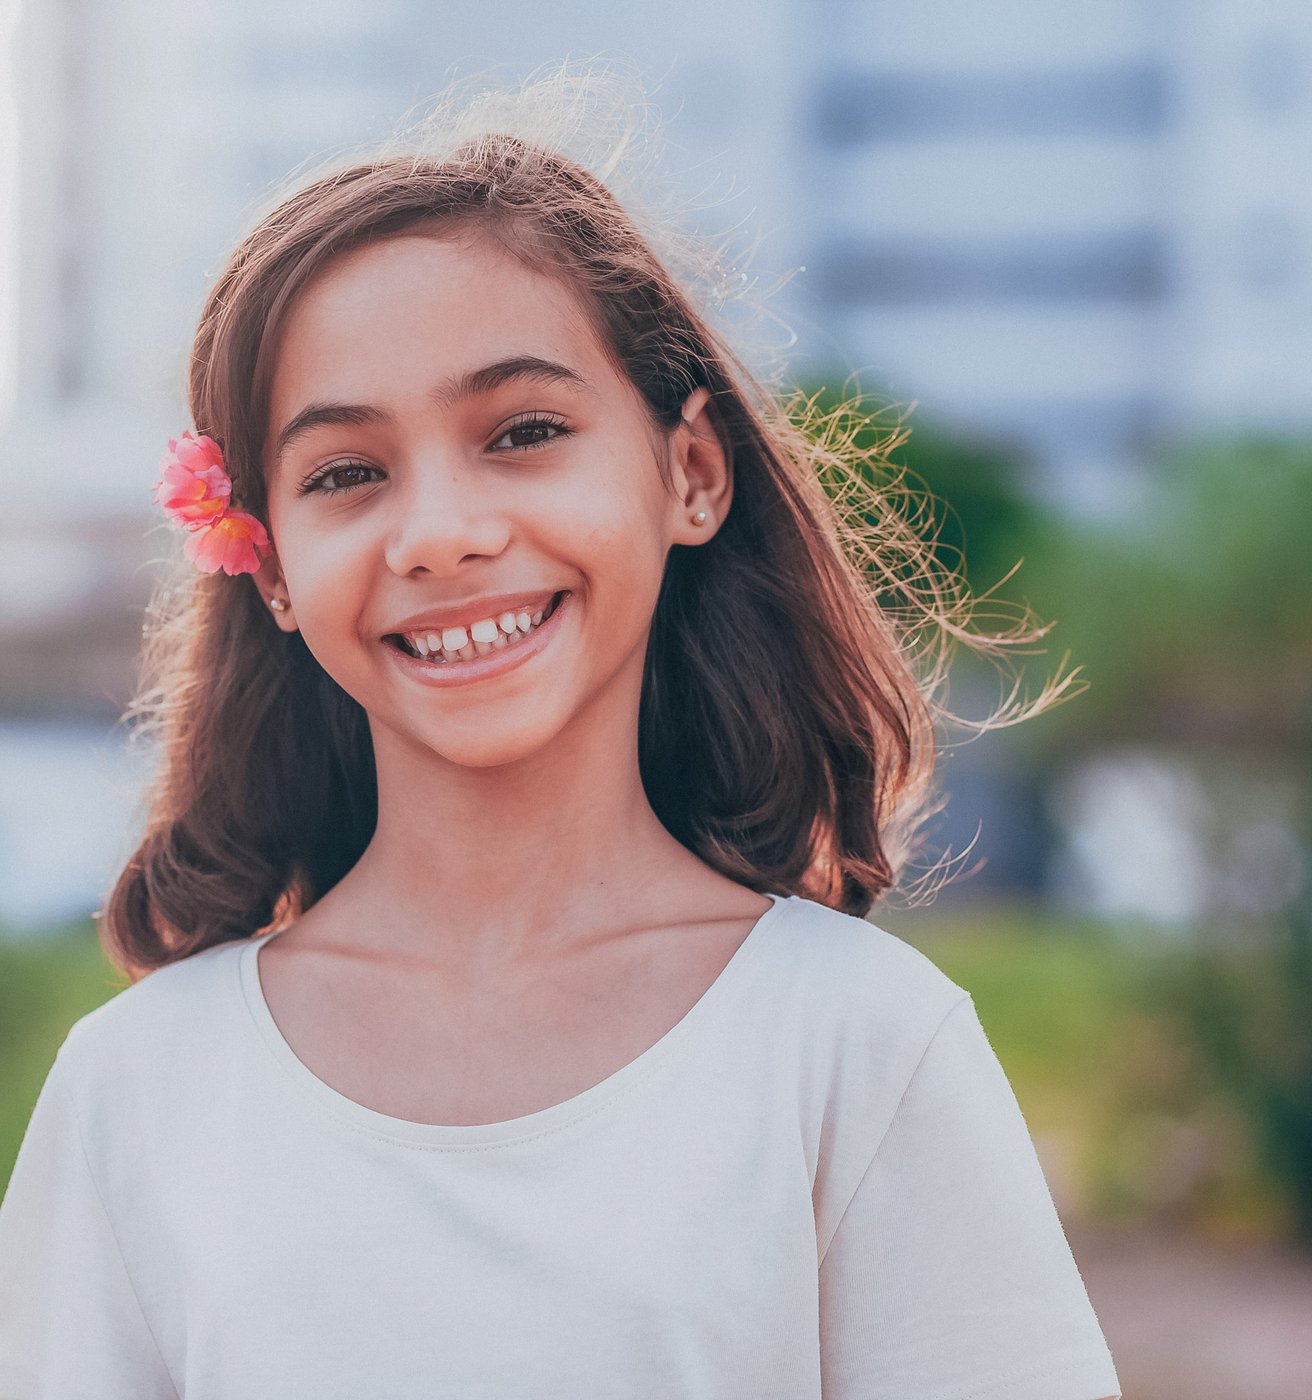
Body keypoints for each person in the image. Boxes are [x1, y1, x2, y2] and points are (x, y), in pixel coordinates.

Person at [0, 66, 1121, 1400]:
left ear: (688, 472)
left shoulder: (855, 1047)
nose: (443, 533)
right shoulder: (141, 1091)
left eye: (524, 432)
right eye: (347, 473)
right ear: (276, 567)